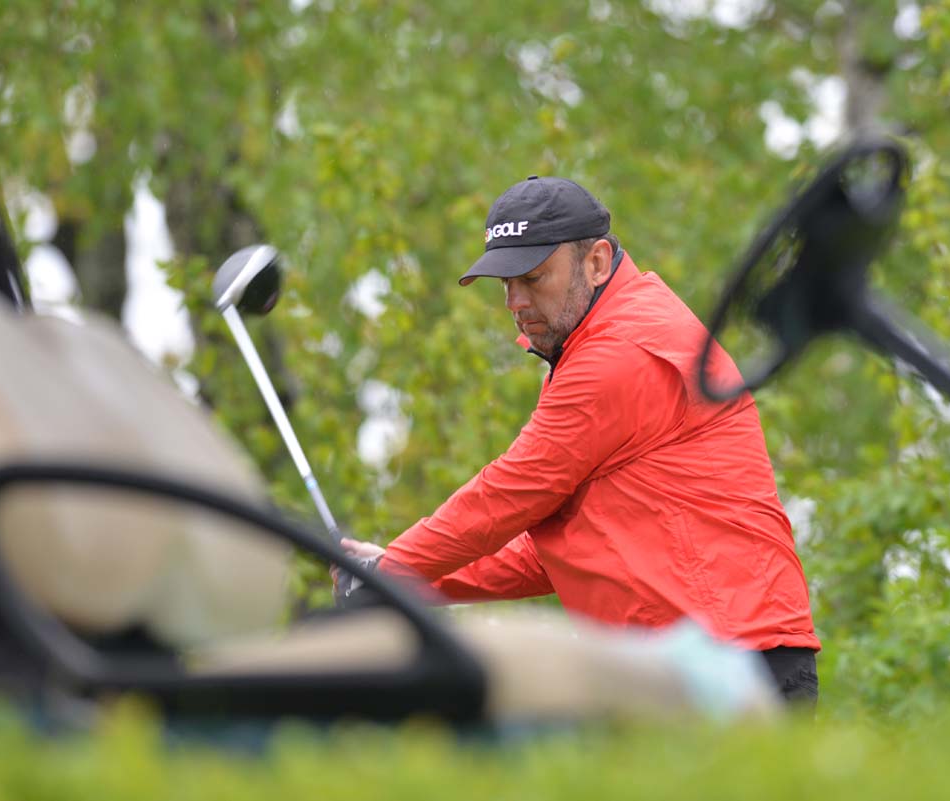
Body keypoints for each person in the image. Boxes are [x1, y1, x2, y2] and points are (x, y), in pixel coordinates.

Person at [342, 176, 820, 705]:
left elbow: (510, 493)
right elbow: (552, 548)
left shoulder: (621, 350)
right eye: (506, 283)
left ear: (596, 262)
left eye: (533, 277)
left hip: (732, 664)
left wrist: (391, 571)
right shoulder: (599, 341)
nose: (515, 301)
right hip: (690, 667)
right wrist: (404, 579)